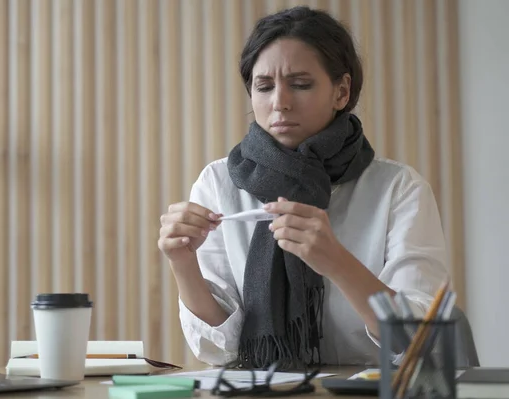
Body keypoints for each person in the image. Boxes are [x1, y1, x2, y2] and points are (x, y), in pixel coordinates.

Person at [158, 6, 449, 370]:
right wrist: (182, 262)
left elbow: (421, 340)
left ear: (341, 91)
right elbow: (221, 350)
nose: (279, 102)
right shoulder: (218, 183)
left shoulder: (397, 188)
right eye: (264, 86)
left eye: (300, 84)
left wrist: (337, 262)